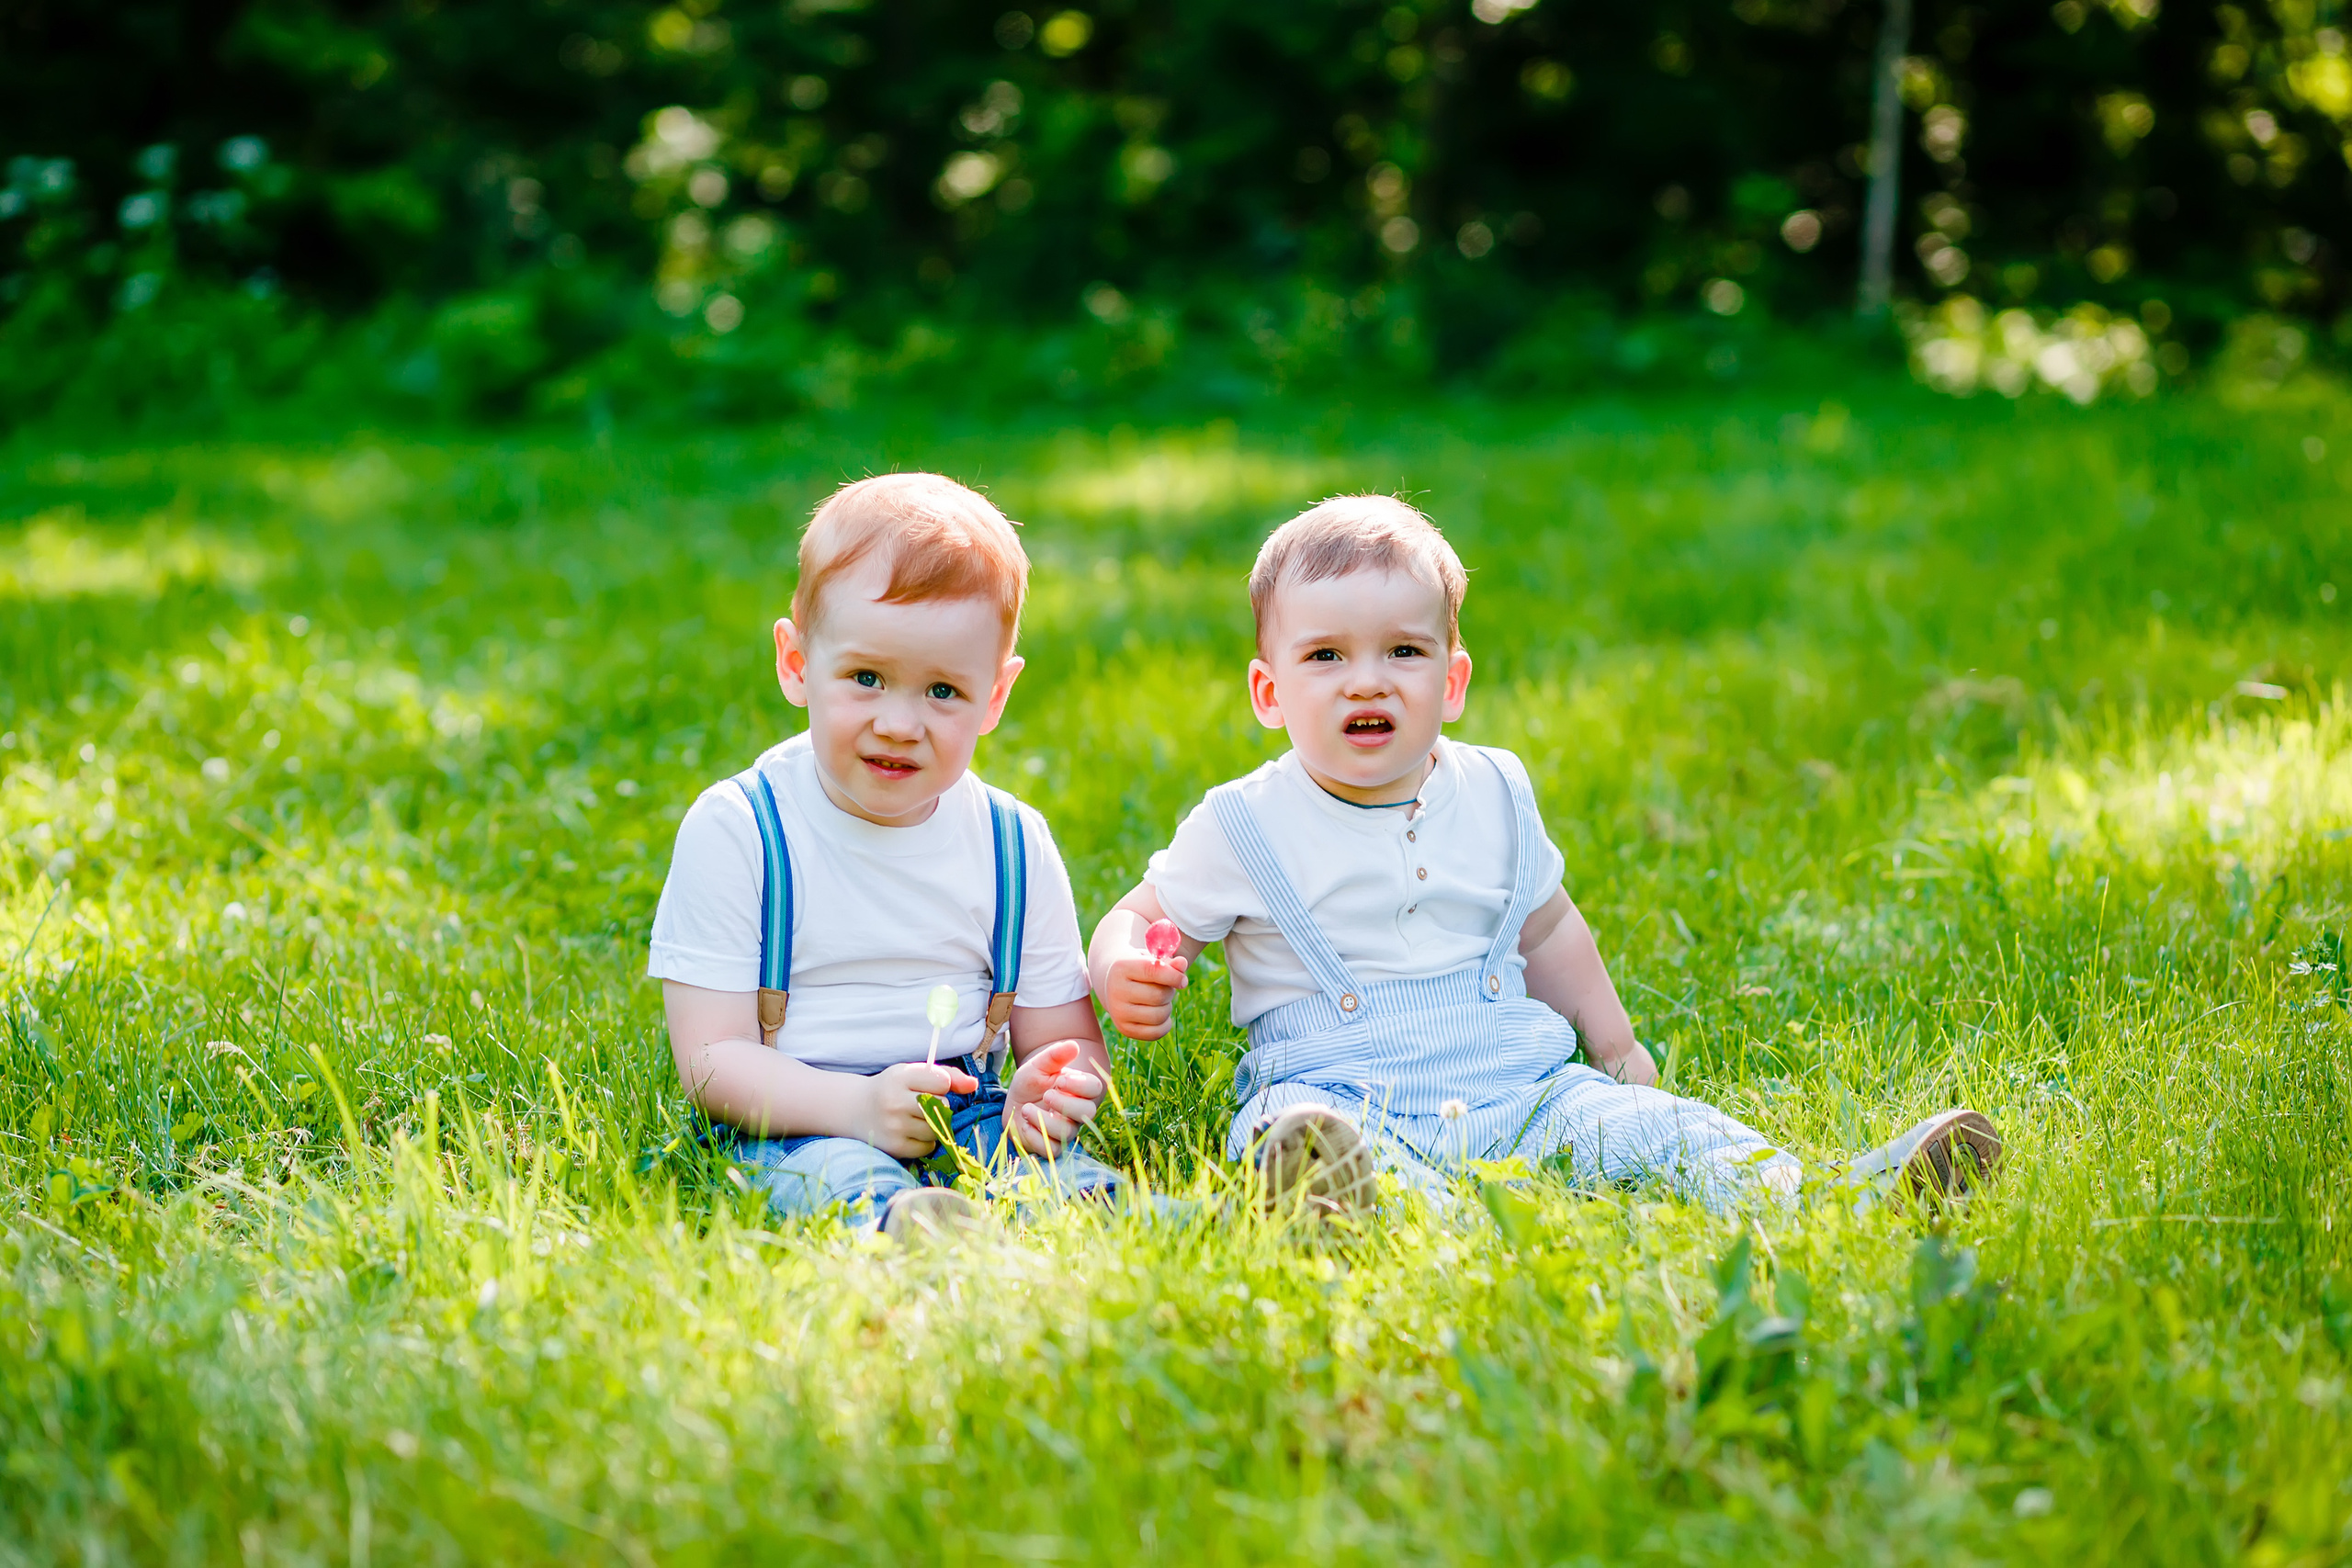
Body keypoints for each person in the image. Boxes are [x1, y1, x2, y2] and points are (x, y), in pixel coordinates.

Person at [1087, 495, 2001, 1218]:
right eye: (1325, 655)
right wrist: (1125, 961)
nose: (1366, 679)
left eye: (1402, 651)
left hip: (1516, 1082)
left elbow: (1549, 926)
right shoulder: (1243, 823)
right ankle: (1361, 1209)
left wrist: (1616, 1047)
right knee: (1305, 1139)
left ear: (1450, 682)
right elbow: (1142, 916)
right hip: (1339, 1092)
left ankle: (1836, 1194)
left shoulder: (1494, 791)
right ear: (1269, 691)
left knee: (1663, 1132)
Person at [651, 473, 1118, 1240]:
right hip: (796, 1112)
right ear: (797, 663)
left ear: (995, 697)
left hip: (972, 1106)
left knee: (1065, 1185)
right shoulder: (741, 829)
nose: (900, 723)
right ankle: (908, 1230)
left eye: (943, 691)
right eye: (866, 678)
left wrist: (1052, 1090)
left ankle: (1241, 1218)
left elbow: (1066, 1040)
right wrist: (856, 1108)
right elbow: (710, 1059)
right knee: (837, 1178)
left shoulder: (1012, 843)